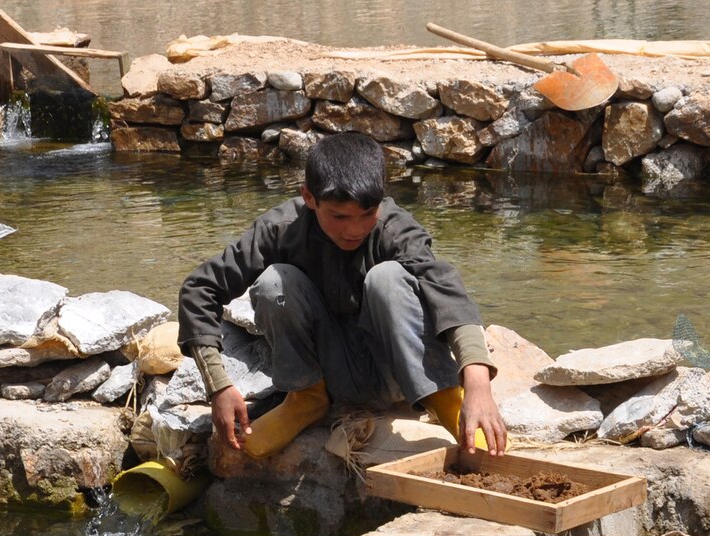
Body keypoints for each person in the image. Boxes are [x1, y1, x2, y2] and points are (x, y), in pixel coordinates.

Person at [177, 131, 509, 460]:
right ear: (309, 197)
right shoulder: (281, 228)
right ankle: (305, 400)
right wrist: (219, 385)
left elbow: (444, 288)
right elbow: (200, 289)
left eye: (367, 214)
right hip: (330, 377)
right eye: (339, 216)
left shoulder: (395, 227)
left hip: (394, 377)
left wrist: (478, 384)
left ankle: (444, 399)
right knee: (274, 282)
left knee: (388, 278)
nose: (354, 229)